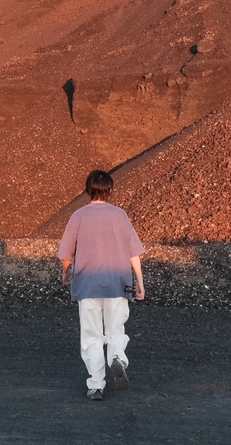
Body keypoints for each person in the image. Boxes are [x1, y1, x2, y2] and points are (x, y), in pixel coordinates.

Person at [57, 169, 146, 401]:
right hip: (117, 282)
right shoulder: (120, 215)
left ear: (88, 189)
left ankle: (96, 385)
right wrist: (140, 280)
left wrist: (66, 273)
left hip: (87, 283)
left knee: (91, 335)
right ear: (110, 189)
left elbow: (67, 252)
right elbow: (133, 251)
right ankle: (117, 357)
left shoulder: (78, 216)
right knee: (116, 329)